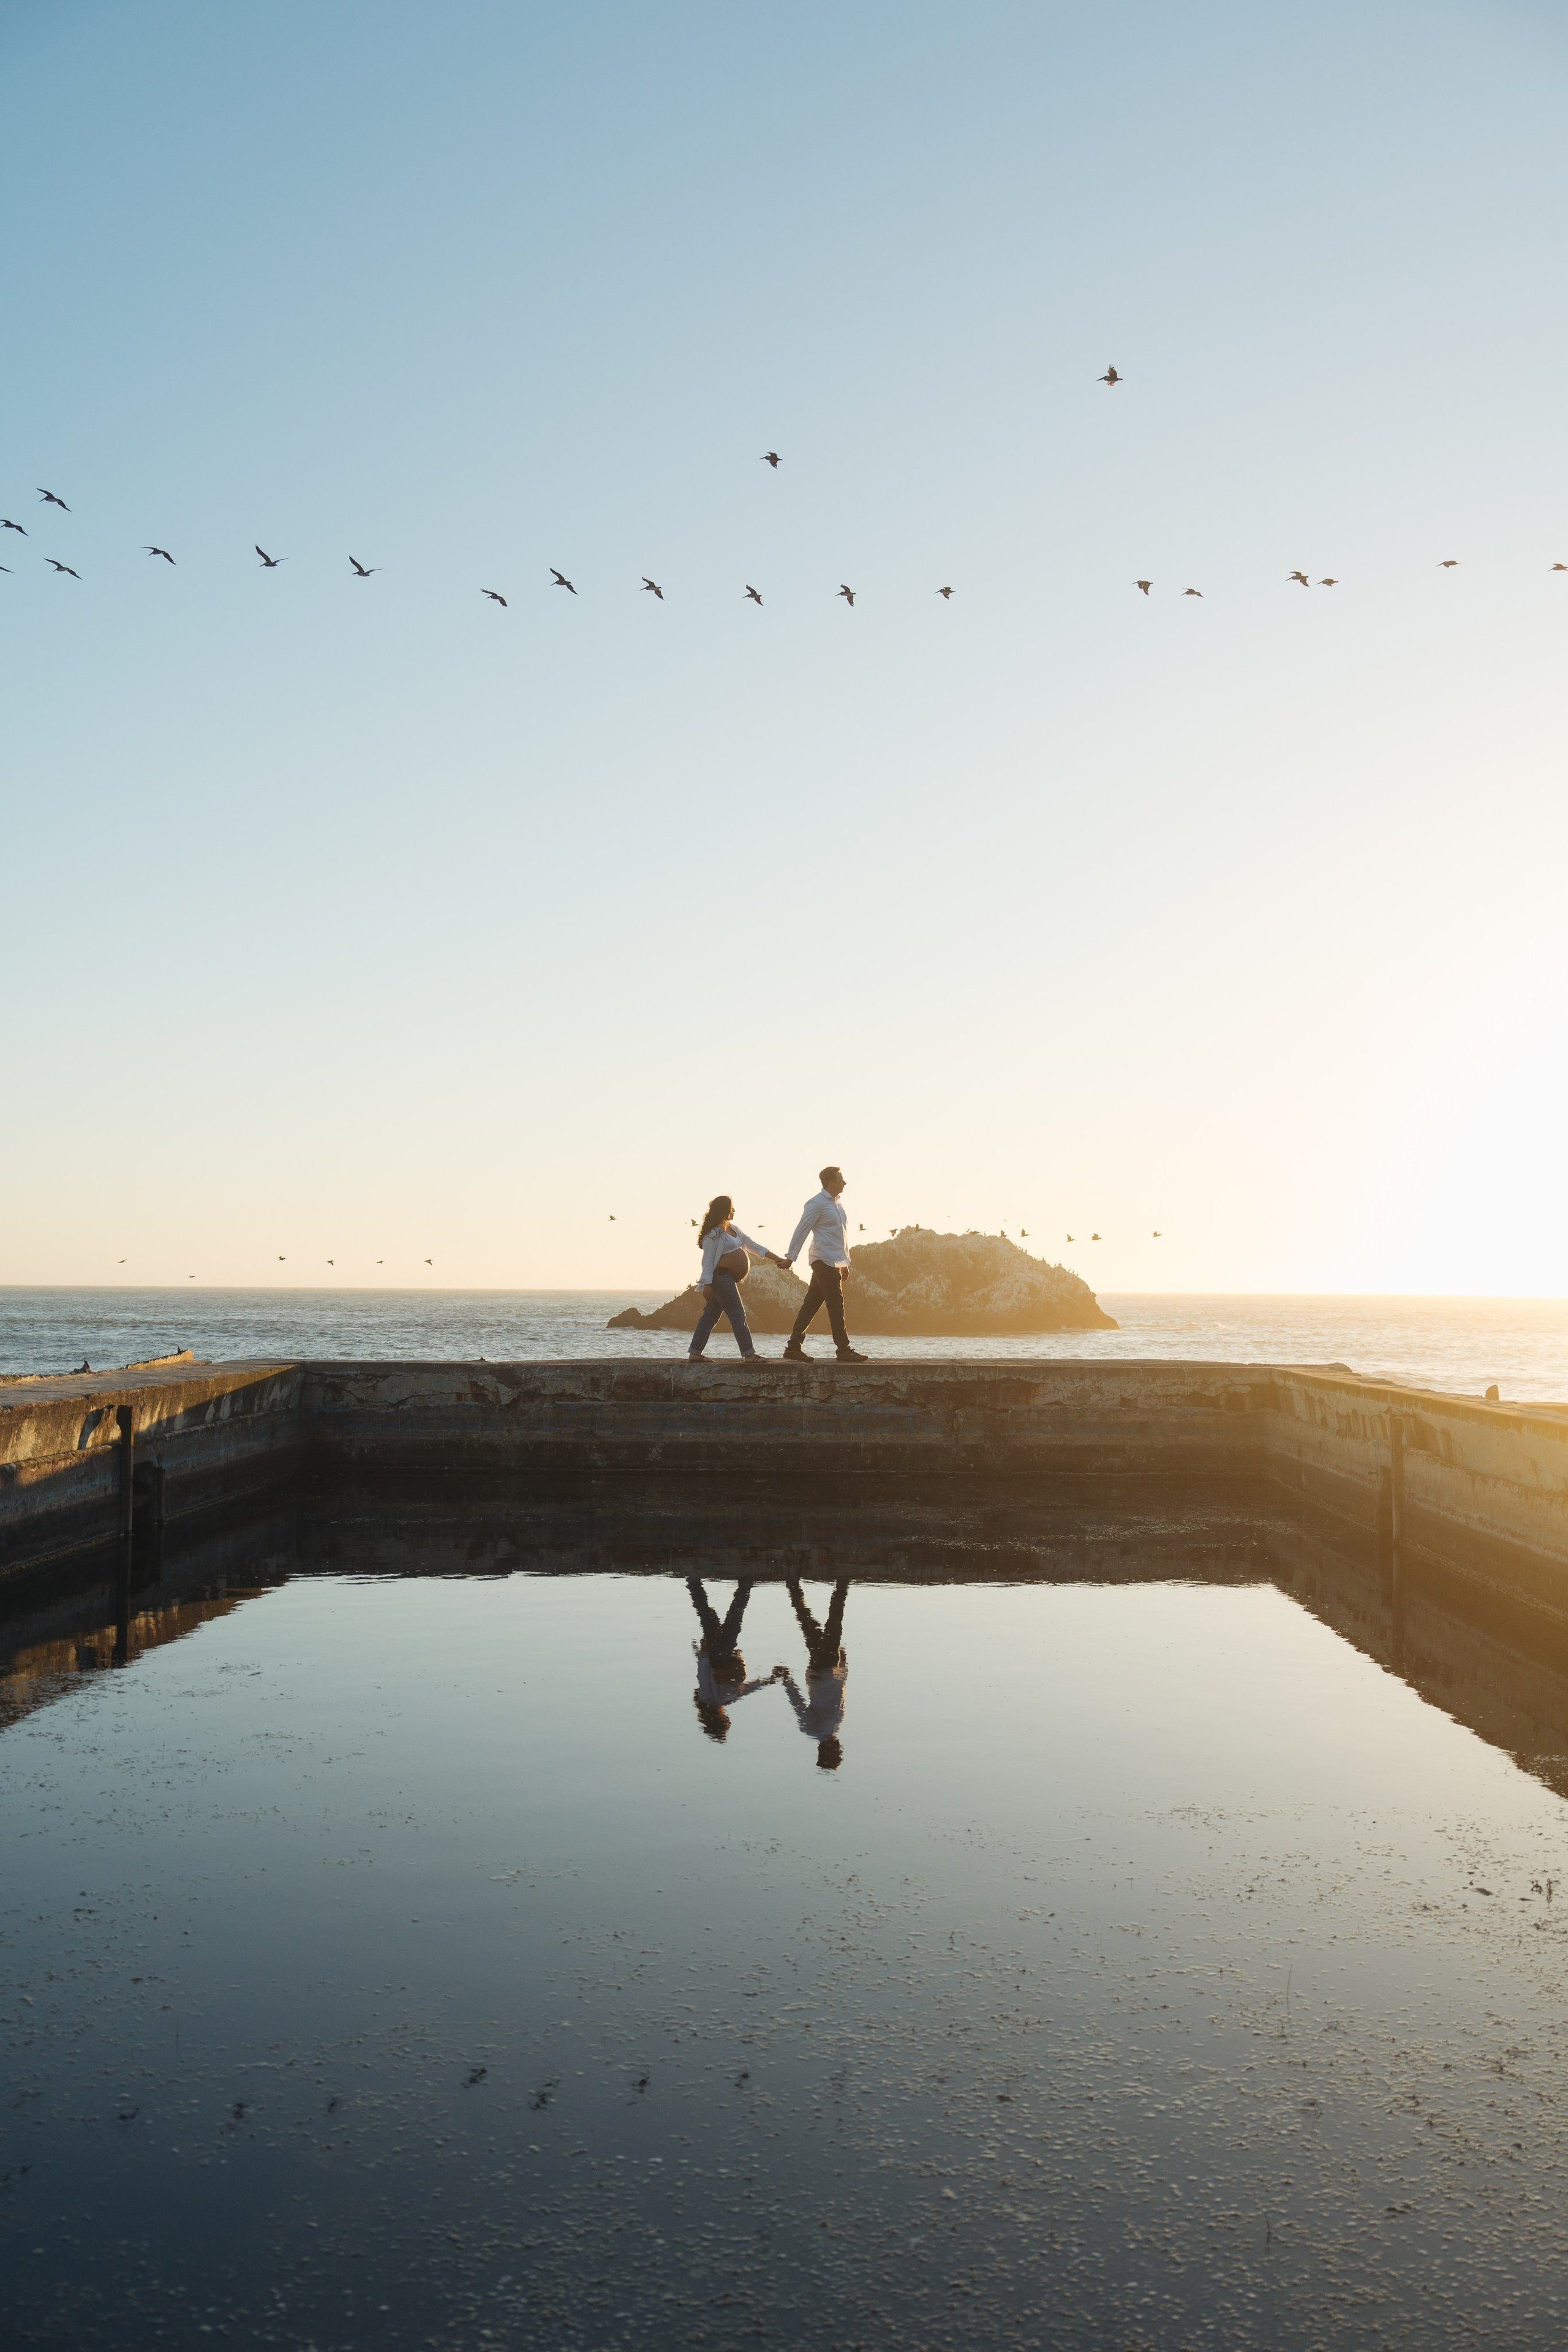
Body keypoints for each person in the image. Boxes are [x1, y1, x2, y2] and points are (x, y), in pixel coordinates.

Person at [779, 1166, 867, 1362]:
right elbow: (801, 1229)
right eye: (841, 1180)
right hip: (822, 1260)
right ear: (830, 1183)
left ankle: (793, 1347)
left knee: (811, 1305)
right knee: (836, 1304)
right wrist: (790, 1257)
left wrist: (845, 1262)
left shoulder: (839, 1205)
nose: (844, 1183)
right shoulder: (816, 1204)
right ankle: (844, 1350)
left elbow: (840, 1237)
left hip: (833, 1262)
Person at [688, 1194, 786, 1362]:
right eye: (732, 1207)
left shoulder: (734, 1229)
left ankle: (695, 1354)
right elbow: (707, 1260)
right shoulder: (713, 1234)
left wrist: (776, 1257)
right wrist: (707, 1284)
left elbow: (752, 1245)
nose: (734, 1210)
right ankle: (749, 1355)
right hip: (720, 1278)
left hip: (728, 1278)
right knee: (738, 1316)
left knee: (710, 1317)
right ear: (724, 1210)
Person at [687, 1577, 784, 1740]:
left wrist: (704, 1653)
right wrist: (703, 1652)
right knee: (709, 1617)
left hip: (720, 1656)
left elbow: (706, 1676)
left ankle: (745, 1586)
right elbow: (705, 1675)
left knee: (733, 1619)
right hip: (717, 1655)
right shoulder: (713, 1699)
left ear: (721, 1718)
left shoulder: (716, 1698)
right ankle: (694, 1584)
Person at [779, 1576, 850, 1768]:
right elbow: (839, 1693)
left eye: (837, 1752)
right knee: (808, 1623)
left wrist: (787, 1680)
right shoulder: (833, 1727)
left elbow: (798, 1705)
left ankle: (842, 1583)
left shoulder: (815, 1729)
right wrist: (843, 1665)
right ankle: (793, 1584)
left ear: (826, 1751)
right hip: (824, 1670)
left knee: (834, 1623)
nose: (840, 1748)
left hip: (823, 1669)